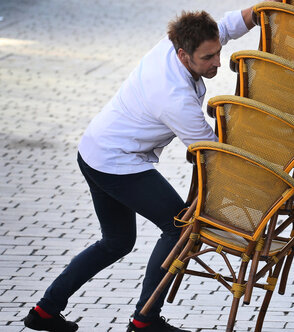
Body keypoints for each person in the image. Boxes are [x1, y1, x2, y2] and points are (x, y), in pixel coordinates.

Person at [22, 2, 276, 331]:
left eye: (217, 53)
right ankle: (145, 321)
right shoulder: (174, 97)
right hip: (116, 162)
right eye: (207, 59)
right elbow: (214, 157)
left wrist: (267, 10)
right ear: (184, 55)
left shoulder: (179, 43)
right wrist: (271, 185)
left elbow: (228, 25)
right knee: (180, 228)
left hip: (95, 150)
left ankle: (44, 313)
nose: (217, 63)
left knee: (116, 241)